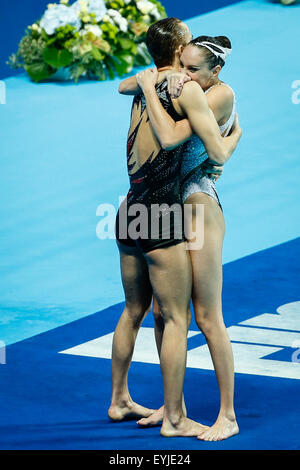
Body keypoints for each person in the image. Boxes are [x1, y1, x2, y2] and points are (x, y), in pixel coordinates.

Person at [108, 18, 242, 438]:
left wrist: (149, 82)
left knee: (151, 311)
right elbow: (178, 141)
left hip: (133, 206)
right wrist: (234, 139)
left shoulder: (160, 83)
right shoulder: (181, 87)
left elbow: (123, 87)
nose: (189, 69)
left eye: (196, 66)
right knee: (174, 316)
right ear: (180, 48)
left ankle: (126, 401)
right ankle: (174, 416)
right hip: (162, 210)